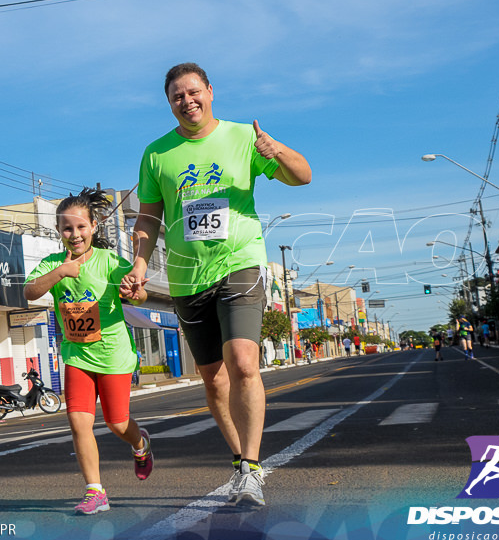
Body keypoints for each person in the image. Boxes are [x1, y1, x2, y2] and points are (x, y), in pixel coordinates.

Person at [122, 62, 311, 507]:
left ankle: (251, 466)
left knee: (243, 362)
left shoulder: (244, 137)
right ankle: (238, 460)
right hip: (187, 277)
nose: (187, 102)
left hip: (239, 264)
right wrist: (139, 264)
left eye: (193, 92)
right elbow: (149, 216)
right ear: (169, 104)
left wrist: (275, 149)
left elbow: (302, 175)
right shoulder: (156, 153)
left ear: (210, 91)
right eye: (177, 97)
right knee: (213, 380)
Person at [23, 188, 154, 515]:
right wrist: (60, 273)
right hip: (77, 357)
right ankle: (95, 492)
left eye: (81, 227)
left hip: (112, 356)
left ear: (94, 226)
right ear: (59, 232)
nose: (75, 234)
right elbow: (29, 291)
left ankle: (141, 445)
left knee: (116, 423)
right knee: (79, 423)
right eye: (67, 228)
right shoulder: (53, 264)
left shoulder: (110, 261)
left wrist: (133, 290)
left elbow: (139, 294)